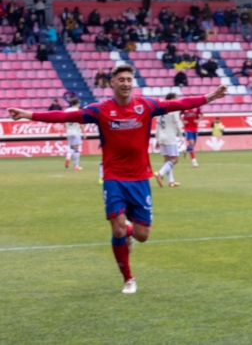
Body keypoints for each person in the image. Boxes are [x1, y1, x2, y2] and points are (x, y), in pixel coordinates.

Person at [7, 65, 226, 294]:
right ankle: (128, 278)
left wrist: (210, 96)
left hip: (140, 178)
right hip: (113, 178)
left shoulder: (147, 105)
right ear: (112, 83)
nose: (125, 83)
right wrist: (27, 114)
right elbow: (65, 115)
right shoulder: (100, 110)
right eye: (121, 79)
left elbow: (179, 104)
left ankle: (131, 233)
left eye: (129, 79)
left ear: (133, 82)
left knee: (142, 236)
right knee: (118, 229)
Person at [154, 93, 183, 188]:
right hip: (170, 137)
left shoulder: (161, 110)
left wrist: (157, 139)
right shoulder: (174, 109)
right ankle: (160, 173)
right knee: (175, 159)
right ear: (171, 99)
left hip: (162, 136)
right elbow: (177, 123)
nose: (178, 100)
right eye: (176, 98)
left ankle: (171, 181)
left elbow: (157, 126)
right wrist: (181, 136)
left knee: (167, 160)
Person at [64, 98, 83, 171]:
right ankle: (76, 166)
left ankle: (68, 156)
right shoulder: (78, 111)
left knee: (71, 147)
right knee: (76, 149)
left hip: (69, 132)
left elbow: (64, 121)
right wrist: (83, 131)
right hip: (76, 131)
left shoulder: (67, 110)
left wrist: (67, 129)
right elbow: (80, 122)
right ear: (77, 103)